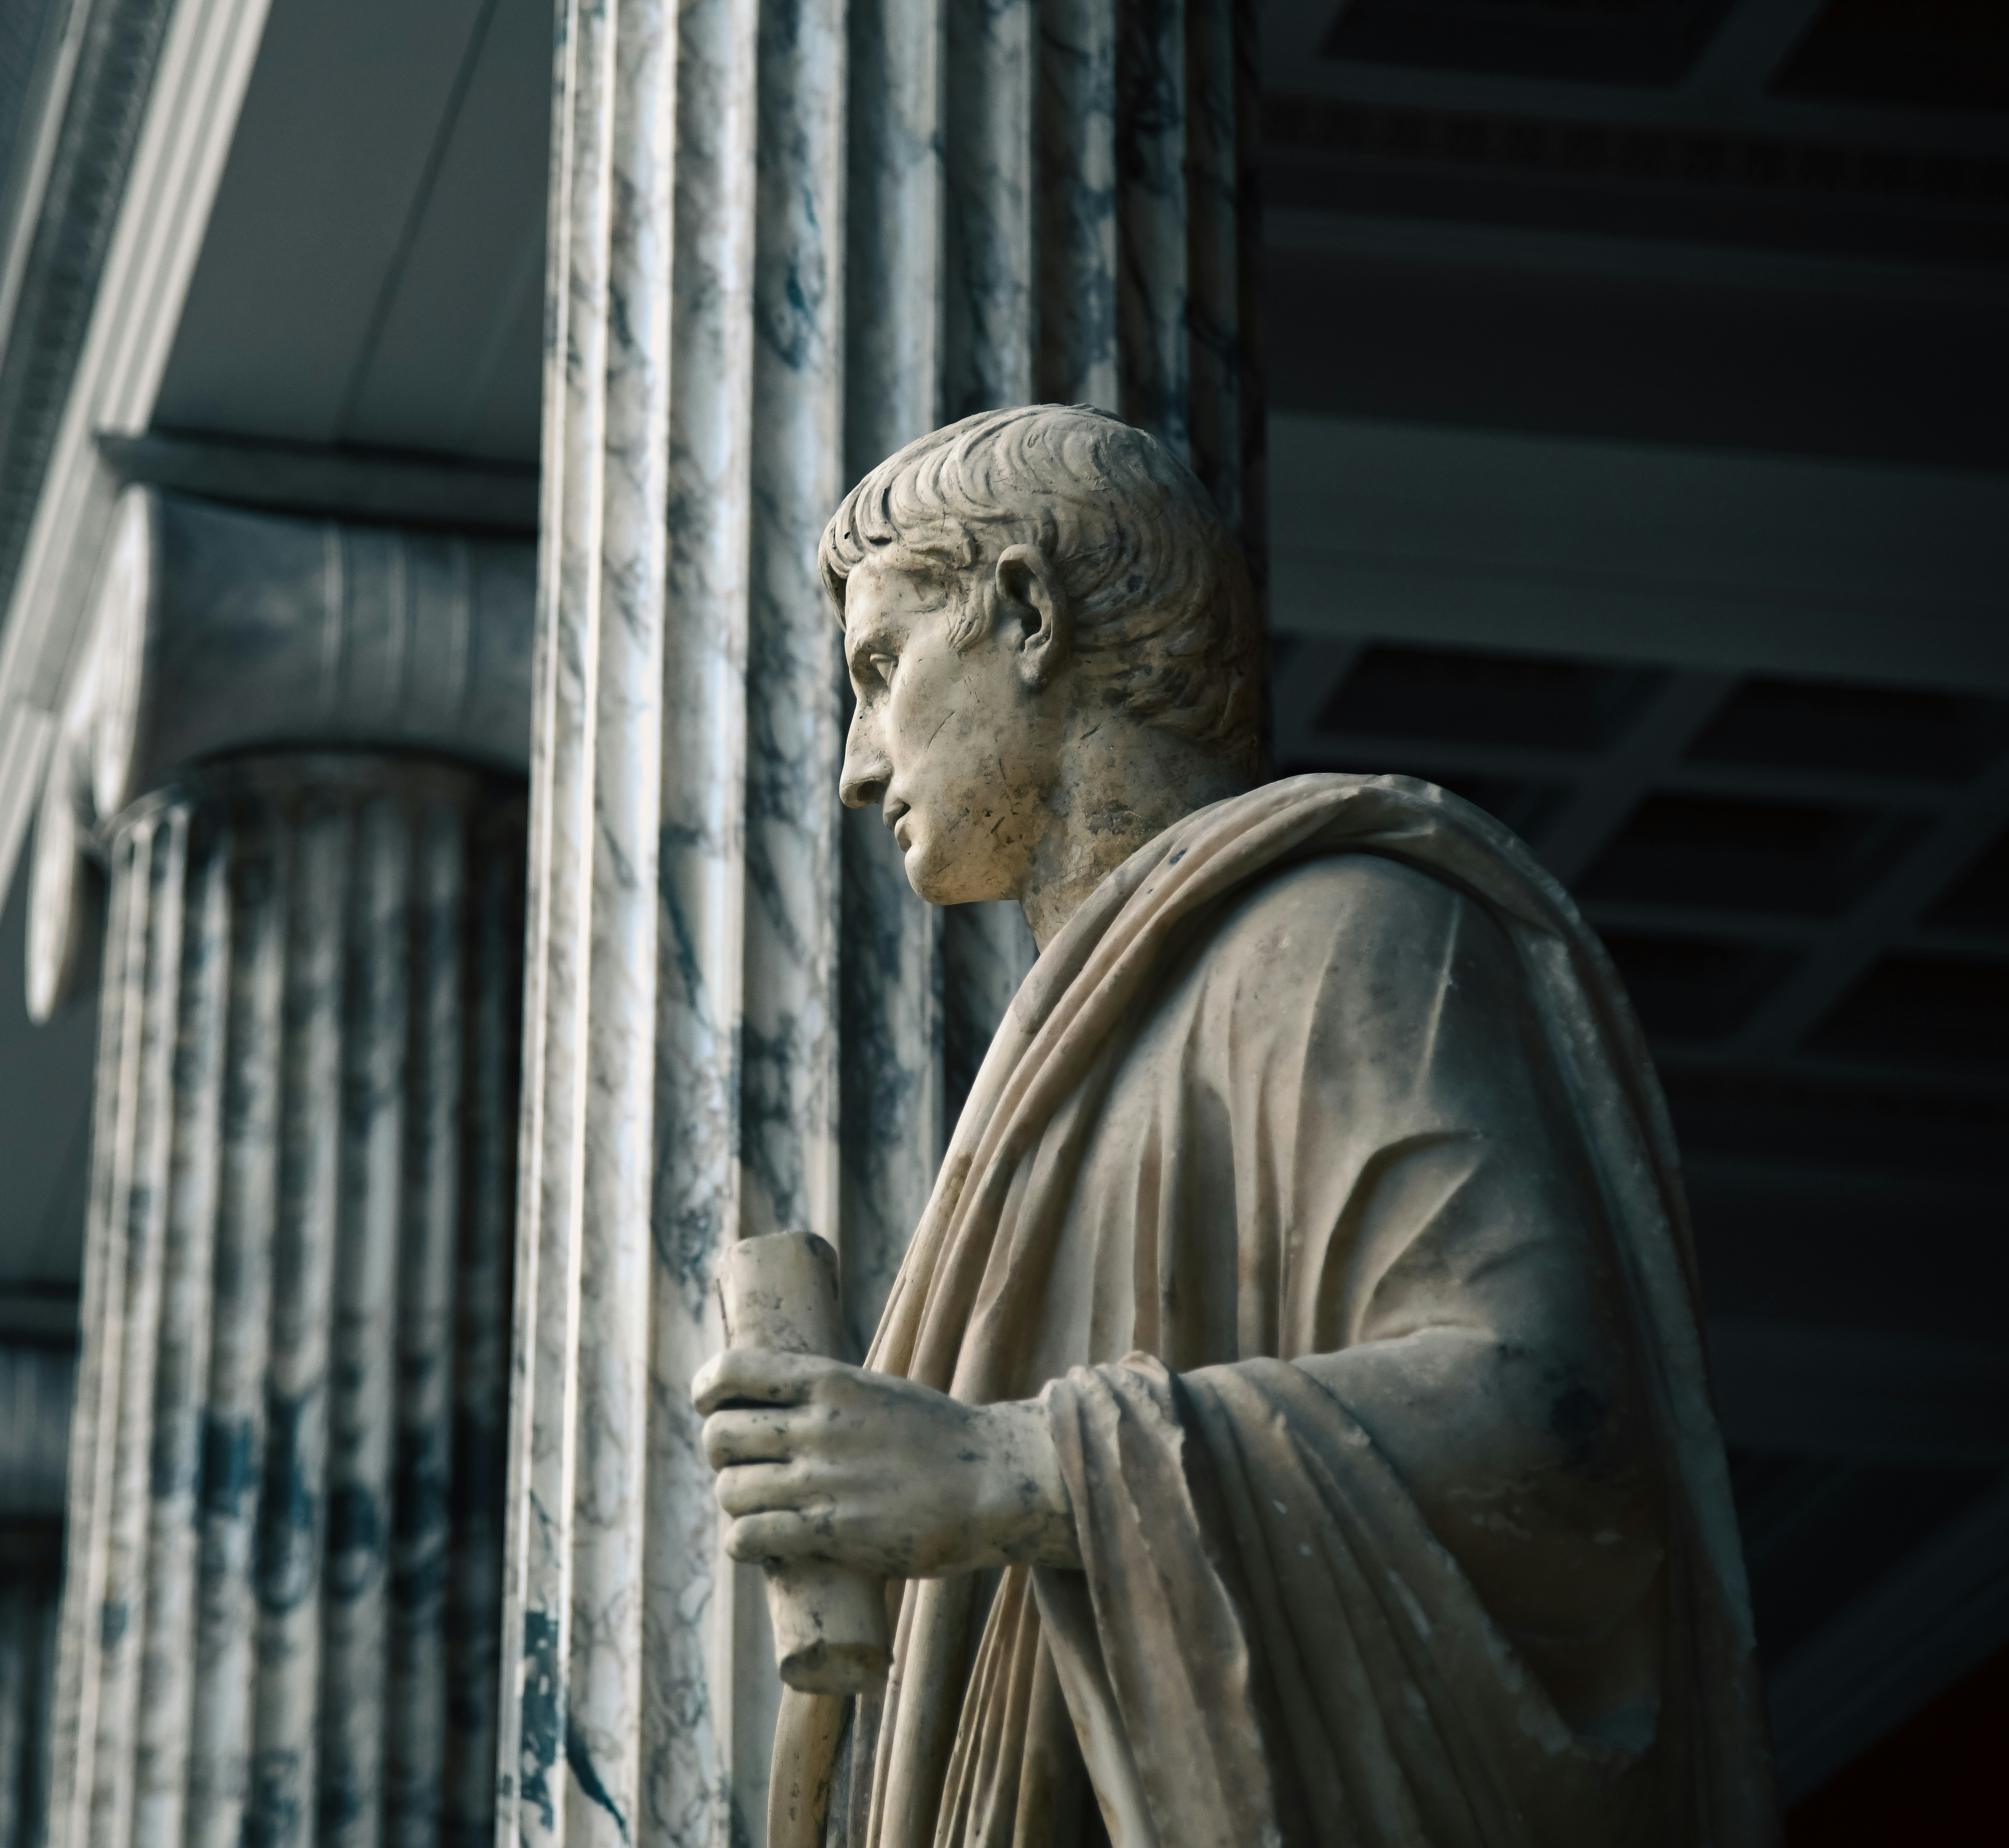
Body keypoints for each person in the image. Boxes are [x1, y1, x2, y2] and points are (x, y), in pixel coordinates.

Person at [692, 405, 1777, 1848]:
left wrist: (1013, 1471)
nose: (857, 765)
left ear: (1025, 609)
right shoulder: (1059, 1064)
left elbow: (1554, 1423)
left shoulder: (1344, 936)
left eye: (883, 670)